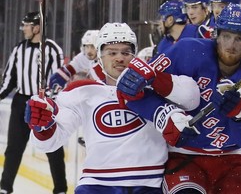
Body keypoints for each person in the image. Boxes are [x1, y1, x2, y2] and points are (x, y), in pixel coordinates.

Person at [117, 3, 241, 193]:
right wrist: (164, 115)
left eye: (239, 39)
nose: (231, 45)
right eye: (226, 36)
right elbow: (131, 90)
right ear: (217, 34)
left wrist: (240, 115)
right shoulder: (187, 51)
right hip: (184, 158)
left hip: (233, 162)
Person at [24, 22, 171, 194]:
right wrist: (43, 128)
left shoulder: (157, 89)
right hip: (97, 185)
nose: (119, 58)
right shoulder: (82, 93)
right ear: (100, 57)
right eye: (112, 53)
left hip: (148, 184)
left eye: (126, 52)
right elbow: (49, 144)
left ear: (135, 55)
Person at [0, 11, 67, 194]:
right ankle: (5, 188)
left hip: (44, 104)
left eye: (27, 25)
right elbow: (9, 79)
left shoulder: (52, 50)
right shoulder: (18, 49)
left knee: (53, 147)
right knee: (14, 147)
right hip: (21, 103)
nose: (24, 29)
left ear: (36, 27)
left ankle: (60, 189)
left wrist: (51, 103)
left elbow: (58, 81)